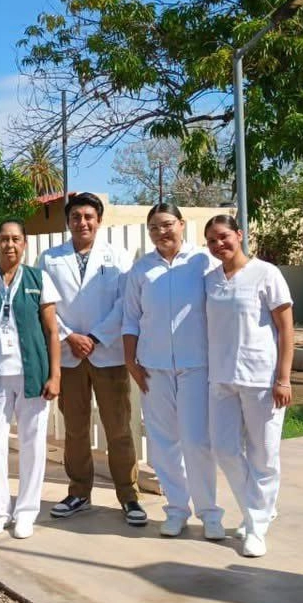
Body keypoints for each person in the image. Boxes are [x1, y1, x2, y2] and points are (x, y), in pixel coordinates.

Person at [38, 192, 145, 526]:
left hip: (107, 353)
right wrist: (70, 335)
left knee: (118, 428)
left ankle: (129, 496)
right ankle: (79, 492)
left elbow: (124, 304)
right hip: (69, 354)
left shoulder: (118, 256)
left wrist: (96, 337)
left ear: (99, 220)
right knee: (75, 429)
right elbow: (46, 306)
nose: (82, 223)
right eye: (75, 217)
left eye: (88, 216)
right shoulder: (50, 258)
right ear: (68, 222)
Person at [123, 203, 225, 540]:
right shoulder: (142, 270)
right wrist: (131, 363)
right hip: (154, 369)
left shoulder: (203, 262)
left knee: (197, 442)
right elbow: (131, 320)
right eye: (154, 228)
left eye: (167, 225)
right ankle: (176, 510)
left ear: (182, 224)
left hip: (196, 366)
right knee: (163, 443)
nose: (161, 232)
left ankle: (209, 513)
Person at [202, 214, 294, 558]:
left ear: (239, 235)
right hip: (221, 378)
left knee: (264, 454)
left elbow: (286, 329)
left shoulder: (266, 273)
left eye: (223, 236)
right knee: (224, 449)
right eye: (211, 240)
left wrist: (283, 378)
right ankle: (258, 510)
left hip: (261, 377)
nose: (218, 245)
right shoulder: (211, 280)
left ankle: (255, 526)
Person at [0, 219, 62, 540]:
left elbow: (52, 332)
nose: (10, 244)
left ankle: (26, 512)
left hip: (33, 376)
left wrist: (55, 375)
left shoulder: (39, 279)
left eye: (16, 239)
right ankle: (0, 511)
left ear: (25, 244)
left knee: (32, 445)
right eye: (4, 239)